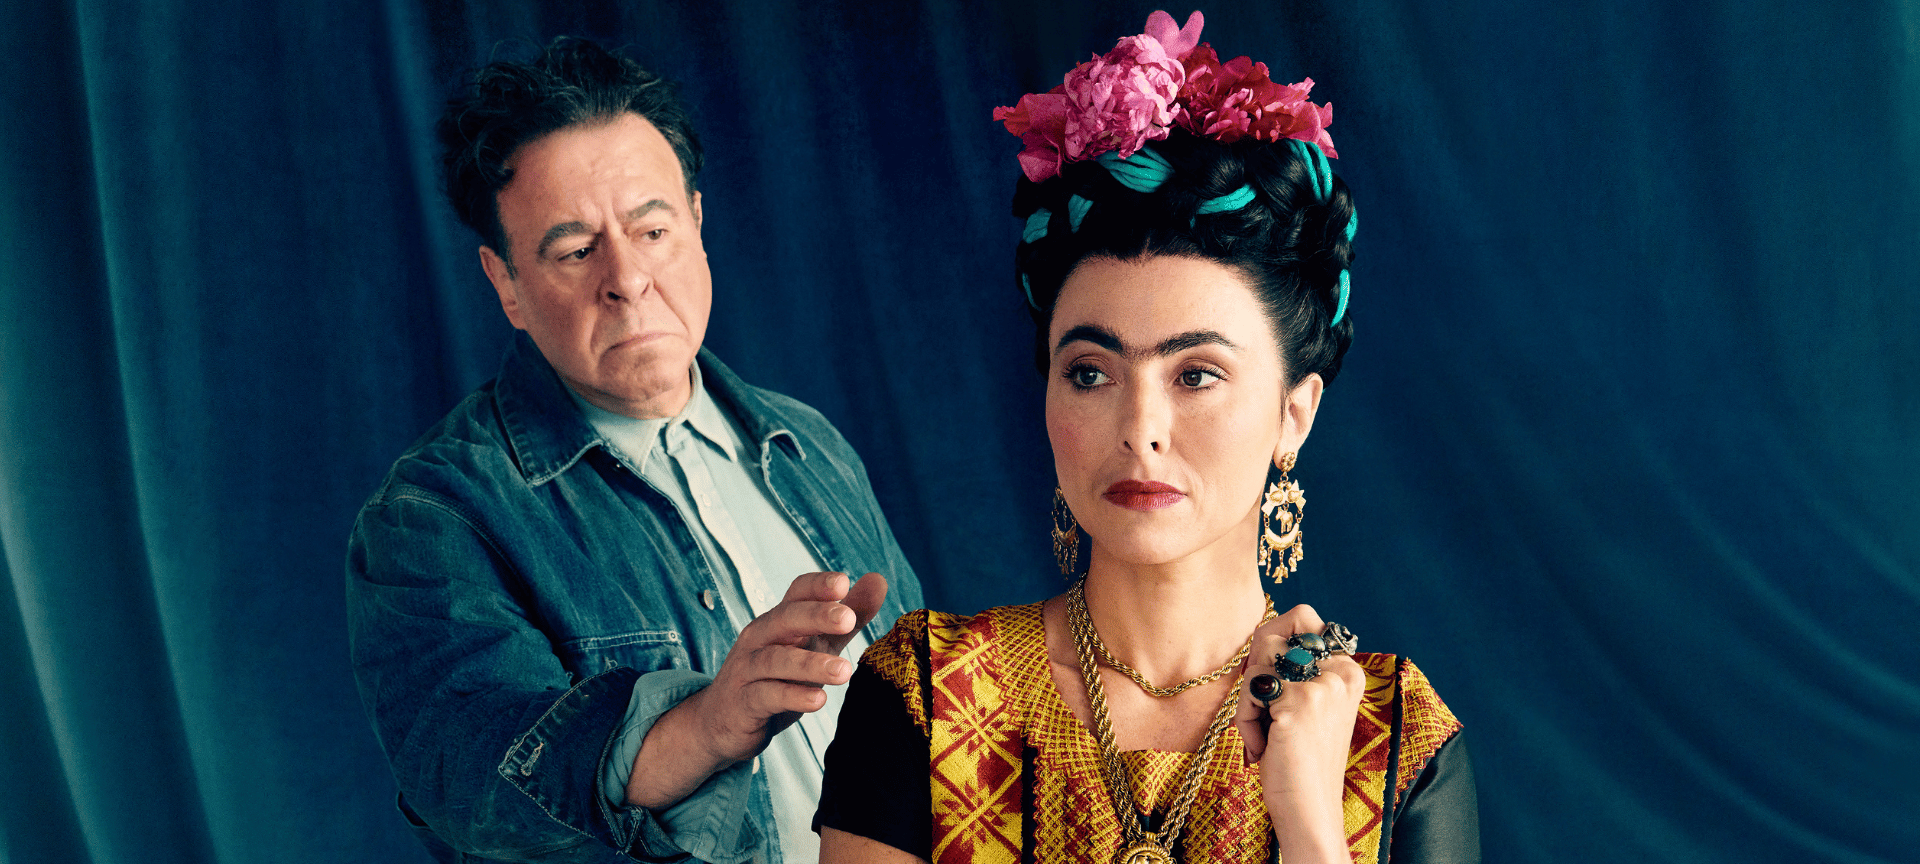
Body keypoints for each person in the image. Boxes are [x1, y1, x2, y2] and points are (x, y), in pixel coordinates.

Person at [815, 11, 1476, 864]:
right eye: (1091, 373)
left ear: (1295, 414)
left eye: (1196, 375)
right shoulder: (928, 695)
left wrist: (1309, 817)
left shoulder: (1391, 735)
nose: (1139, 431)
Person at [346, 38, 923, 864]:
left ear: (697, 224)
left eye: (652, 230)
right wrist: (706, 726)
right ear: (506, 283)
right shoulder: (433, 516)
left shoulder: (810, 446)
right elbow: (475, 786)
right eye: (575, 251)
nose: (627, 278)